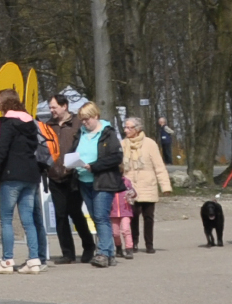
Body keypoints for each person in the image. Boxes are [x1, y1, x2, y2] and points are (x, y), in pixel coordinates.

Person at [0, 90, 50, 273]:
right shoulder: (30, 123)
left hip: (11, 175)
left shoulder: (8, 123)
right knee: (28, 220)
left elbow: (1, 151)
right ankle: (34, 260)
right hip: (31, 175)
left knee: (6, 219)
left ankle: (7, 261)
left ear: (5, 104)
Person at [64, 102, 122, 268]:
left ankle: (102, 253)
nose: (84, 122)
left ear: (96, 116)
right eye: (82, 120)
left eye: (87, 119)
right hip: (84, 181)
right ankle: (109, 253)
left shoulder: (108, 133)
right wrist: (70, 163)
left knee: (101, 216)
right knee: (95, 217)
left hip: (103, 180)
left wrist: (94, 166)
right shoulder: (80, 134)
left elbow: (116, 157)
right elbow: (73, 152)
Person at [44, 96, 97, 264]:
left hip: (74, 175)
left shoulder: (77, 124)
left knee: (75, 212)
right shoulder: (48, 126)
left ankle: (89, 247)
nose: (52, 110)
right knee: (60, 215)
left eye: (54, 107)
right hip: (54, 175)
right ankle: (67, 253)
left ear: (64, 106)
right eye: (50, 108)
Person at [120, 113, 171, 255]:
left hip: (148, 185)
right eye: (125, 127)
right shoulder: (122, 144)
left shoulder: (150, 144)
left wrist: (165, 186)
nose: (126, 130)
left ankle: (149, 244)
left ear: (137, 129)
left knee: (148, 217)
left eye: (129, 128)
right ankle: (133, 243)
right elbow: (118, 167)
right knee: (133, 216)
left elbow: (159, 166)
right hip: (130, 186)